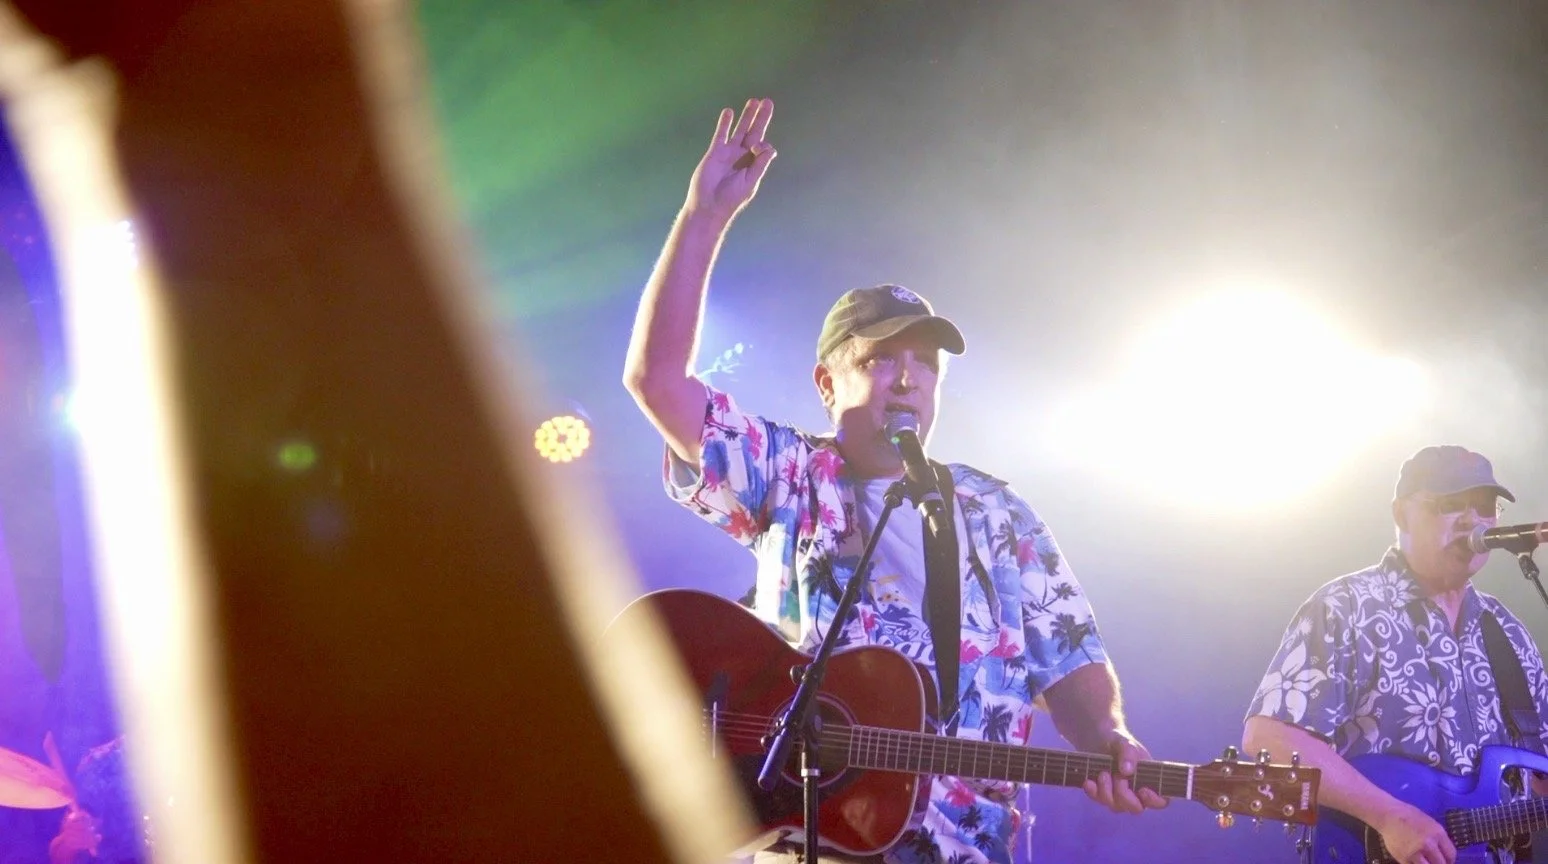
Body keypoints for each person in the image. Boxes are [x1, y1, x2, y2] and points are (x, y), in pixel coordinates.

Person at [622, 97, 1165, 864]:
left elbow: (1068, 654)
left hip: (970, 846)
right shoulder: (791, 479)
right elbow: (656, 381)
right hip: (810, 837)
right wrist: (703, 217)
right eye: (882, 359)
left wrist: (1109, 737)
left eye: (925, 363)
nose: (907, 379)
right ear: (826, 382)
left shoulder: (995, 511)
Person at [1244, 445, 1548, 864]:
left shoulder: (1508, 632)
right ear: (1402, 514)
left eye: (1484, 506)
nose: (1473, 520)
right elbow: (1270, 736)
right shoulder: (1347, 608)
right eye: (1450, 504)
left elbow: (1538, 766)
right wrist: (1388, 815)